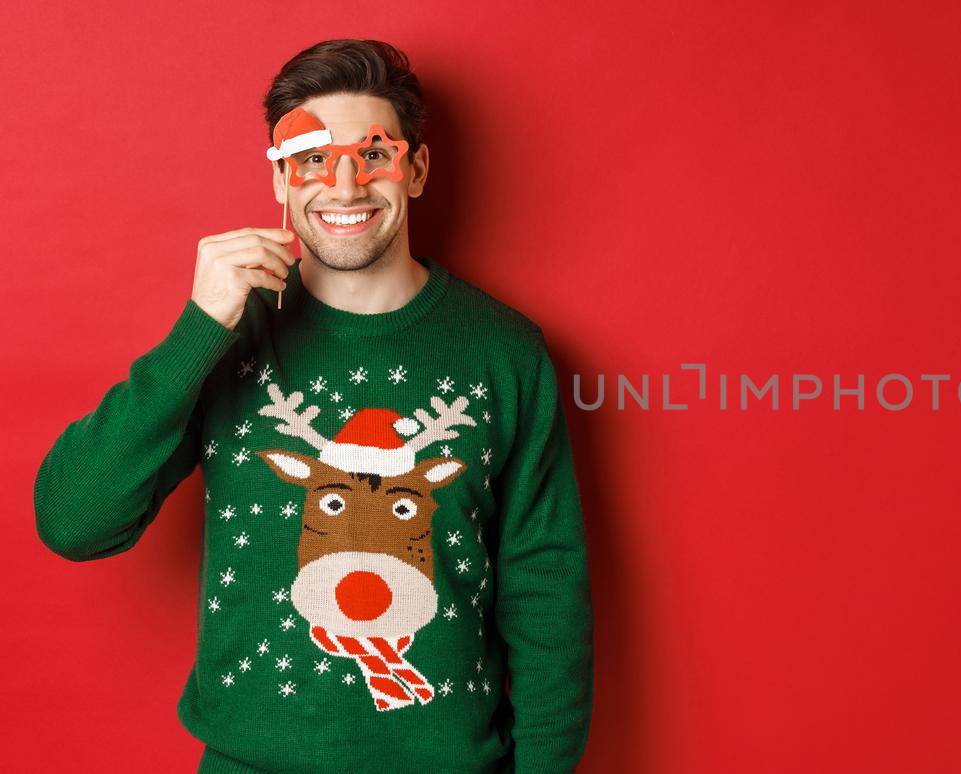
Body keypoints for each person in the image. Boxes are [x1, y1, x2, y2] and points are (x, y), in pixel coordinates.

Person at [32, 39, 593, 773]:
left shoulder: (506, 352)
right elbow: (74, 523)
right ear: (281, 182)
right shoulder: (227, 335)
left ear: (416, 170)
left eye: (374, 155)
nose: (346, 185)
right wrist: (197, 332)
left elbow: (546, 589)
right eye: (312, 161)